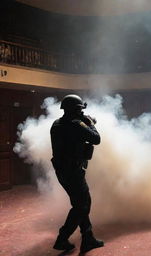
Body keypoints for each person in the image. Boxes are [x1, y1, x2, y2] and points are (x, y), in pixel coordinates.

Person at [50, 94, 104, 254]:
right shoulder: (76, 124)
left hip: (62, 171)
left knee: (80, 204)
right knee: (82, 205)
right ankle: (62, 238)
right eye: (80, 110)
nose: (81, 112)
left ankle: (88, 238)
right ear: (76, 109)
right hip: (73, 171)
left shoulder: (57, 124)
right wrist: (91, 123)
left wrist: (83, 123)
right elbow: (96, 139)